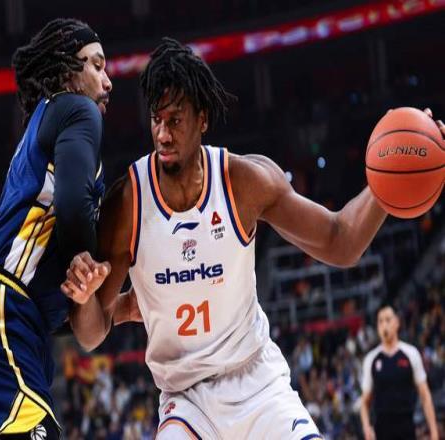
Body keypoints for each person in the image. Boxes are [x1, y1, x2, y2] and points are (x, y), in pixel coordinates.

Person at [62, 38, 445, 439]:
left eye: (175, 120)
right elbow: (91, 333)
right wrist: (85, 299)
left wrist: (387, 184)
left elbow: (341, 241)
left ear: (202, 119)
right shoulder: (128, 203)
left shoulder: (244, 182)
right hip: (186, 400)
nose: (163, 134)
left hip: (258, 384)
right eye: (157, 120)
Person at [0, 18, 115, 439]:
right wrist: (86, 266)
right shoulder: (77, 110)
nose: (108, 81)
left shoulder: (43, 124)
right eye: (96, 65)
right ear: (68, 71)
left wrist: (104, 305)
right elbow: (74, 207)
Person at [360, 303, 439, 440]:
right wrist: (366, 427)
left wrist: (434, 432)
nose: (384, 325)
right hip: (382, 431)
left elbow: (425, 395)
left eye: (388, 320)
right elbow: (364, 402)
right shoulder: (371, 359)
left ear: (397, 322)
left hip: (407, 428)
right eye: (380, 321)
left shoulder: (411, 354)